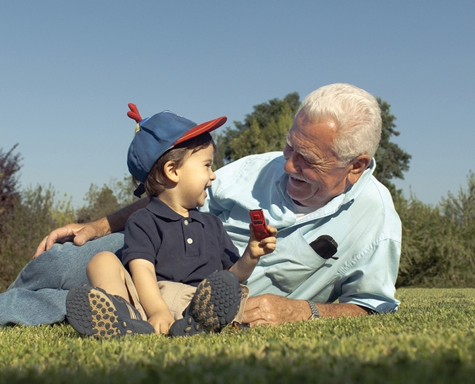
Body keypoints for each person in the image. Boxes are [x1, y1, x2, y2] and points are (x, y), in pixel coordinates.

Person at [0, 83, 401, 327]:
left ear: (356, 166)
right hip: (166, 247)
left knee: (73, 300)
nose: (288, 163)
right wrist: (100, 226)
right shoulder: (257, 168)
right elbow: (172, 196)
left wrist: (304, 312)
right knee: (68, 259)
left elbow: (371, 306)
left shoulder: (375, 220)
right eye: (290, 145)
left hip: (215, 294)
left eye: (307, 159)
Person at [65, 106, 277, 338]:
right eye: (207, 165)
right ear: (172, 170)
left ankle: (195, 322)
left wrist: (251, 255)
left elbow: (231, 277)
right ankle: (122, 318)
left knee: (219, 290)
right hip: (151, 303)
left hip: (198, 302)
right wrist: (157, 311)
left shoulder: (212, 224)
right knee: (101, 260)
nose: (213, 175)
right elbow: (142, 270)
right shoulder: (143, 220)